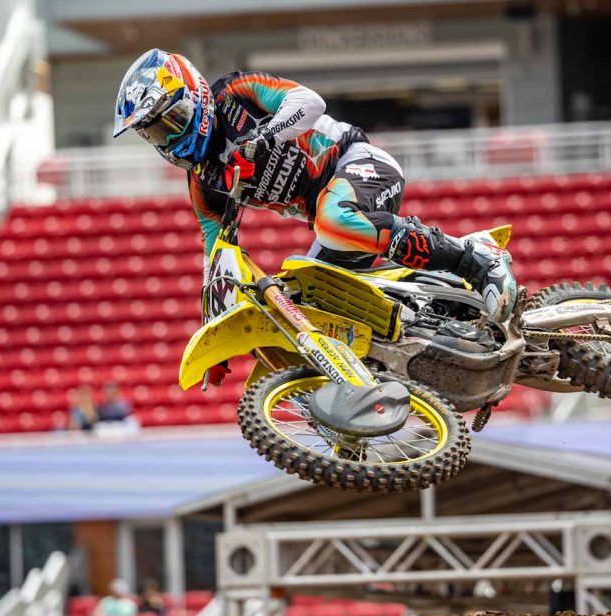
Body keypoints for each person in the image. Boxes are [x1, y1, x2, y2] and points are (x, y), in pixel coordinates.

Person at [113, 50, 517, 383]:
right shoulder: (204, 184)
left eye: (172, 121)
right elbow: (214, 260)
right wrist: (214, 333)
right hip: (335, 221)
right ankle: (424, 337)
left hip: (358, 163)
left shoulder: (236, 93)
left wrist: (263, 138)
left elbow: (309, 103)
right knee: (307, 300)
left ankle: (474, 257)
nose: (169, 138)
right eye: (155, 133)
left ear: (194, 95)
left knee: (333, 218)